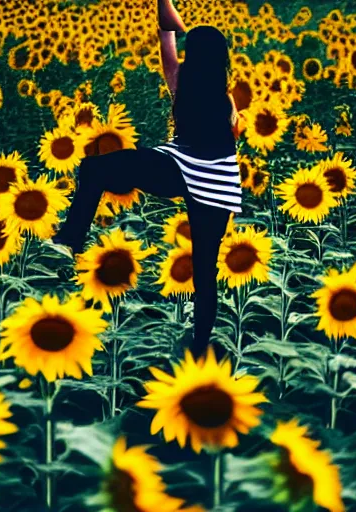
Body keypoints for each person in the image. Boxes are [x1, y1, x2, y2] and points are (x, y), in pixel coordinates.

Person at [48, 0, 243, 360]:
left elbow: (166, 43)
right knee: (205, 268)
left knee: (95, 169)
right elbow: (234, 134)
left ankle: (70, 238)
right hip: (217, 182)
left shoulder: (182, 80)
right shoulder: (227, 98)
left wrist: (166, 16)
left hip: (177, 168)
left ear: (194, 54)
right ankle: (200, 347)